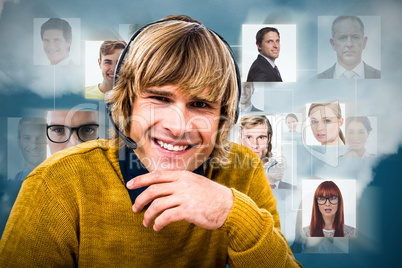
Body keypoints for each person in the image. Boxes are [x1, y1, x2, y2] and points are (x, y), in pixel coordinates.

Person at [0, 17, 301, 267]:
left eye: (200, 105)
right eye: (159, 98)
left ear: (225, 117)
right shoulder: (56, 182)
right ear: (126, 103)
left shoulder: (242, 169)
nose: (177, 126)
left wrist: (234, 213)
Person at [240, 115, 294, 190]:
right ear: (241, 140)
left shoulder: (286, 176)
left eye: (261, 137)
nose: (255, 145)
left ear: (269, 138)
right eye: (249, 137)